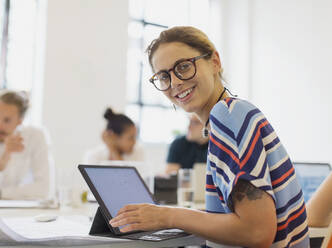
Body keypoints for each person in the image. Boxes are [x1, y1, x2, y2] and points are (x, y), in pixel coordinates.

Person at [109, 26, 309, 247]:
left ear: (214, 61)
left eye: (184, 66)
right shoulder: (233, 114)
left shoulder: (227, 116)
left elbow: (257, 232)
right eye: (164, 76)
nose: (175, 82)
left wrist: (166, 216)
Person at [0, 90, 54, 200]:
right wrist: (4, 157)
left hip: (21, 211)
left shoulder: (37, 136)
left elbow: (44, 189)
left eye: (6, 120)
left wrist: (0, 193)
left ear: (20, 121)